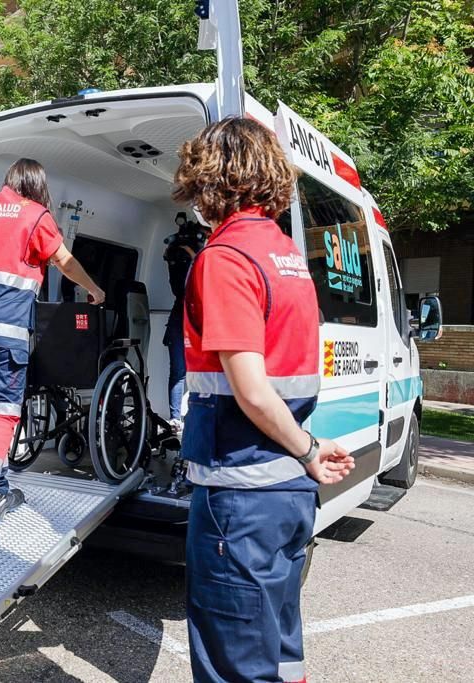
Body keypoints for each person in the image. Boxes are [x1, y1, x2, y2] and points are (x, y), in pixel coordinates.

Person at [172, 118, 355, 682]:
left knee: (234, 664)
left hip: (240, 493)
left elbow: (251, 389)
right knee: (279, 647)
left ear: (210, 181)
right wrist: (304, 452)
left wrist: (307, 450)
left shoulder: (226, 258)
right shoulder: (287, 256)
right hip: (286, 499)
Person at [0, 158, 105, 544]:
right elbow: (64, 261)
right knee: (5, 412)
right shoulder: (36, 216)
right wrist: (95, 290)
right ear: (37, 184)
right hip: (4, 331)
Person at [162, 214, 210, 430]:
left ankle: (178, 417)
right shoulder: (199, 261)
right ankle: (181, 418)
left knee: (181, 372)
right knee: (188, 372)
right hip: (190, 321)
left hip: (182, 320)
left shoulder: (182, 258)